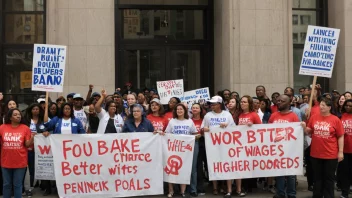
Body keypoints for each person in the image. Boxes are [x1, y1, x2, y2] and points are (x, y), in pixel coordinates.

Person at [302, 98, 344, 198]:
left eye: (324, 105)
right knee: (317, 178)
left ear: (329, 107)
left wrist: (341, 152)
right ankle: (317, 195)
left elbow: (340, 136)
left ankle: (328, 196)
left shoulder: (335, 119)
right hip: (316, 153)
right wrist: (304, 126)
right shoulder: (314, 117)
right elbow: (308, 131)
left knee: (329, 178)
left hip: (330, 154)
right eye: (321, 105)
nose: (321, 107)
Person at [201, 96, 235, 198]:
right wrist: (205, 130)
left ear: (220, 104)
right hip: (212, 145)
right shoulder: (208, 115)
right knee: (214, 165)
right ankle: (215, 187)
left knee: (227, 166)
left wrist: (227, 126)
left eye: (214, 104)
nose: (212, 105)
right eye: (211, 104)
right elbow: (202, 129)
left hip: (226, 146)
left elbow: (234, 130)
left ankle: (228, 189)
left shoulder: (227, 115)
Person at [164, 103, 199, 198]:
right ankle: (171, 191)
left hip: (186, 150)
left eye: (181, 109)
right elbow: (167, 134)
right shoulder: (172, 121)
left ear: (185, 111)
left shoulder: (189, 121)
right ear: (175, 111)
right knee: (172, 168)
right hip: (174, 148)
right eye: (177, 109)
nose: (179, 111)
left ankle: (185, 191)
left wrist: (196, 136)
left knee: (186, 168)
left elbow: (195, 133)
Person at [268, 95, 299, 198]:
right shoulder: (273, 116)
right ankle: (280, 193)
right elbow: (267, 131)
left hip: (290, 150)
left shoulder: (294, 116)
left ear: (289, 103)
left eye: (282, 101)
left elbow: (297, 134)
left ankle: (291, 194)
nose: (279, 102)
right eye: (278, 100)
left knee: (291, 175)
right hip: (277, 150)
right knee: (279, 173)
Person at [0, 108, 34, 198]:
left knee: (17, 185)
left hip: (20, 162)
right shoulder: (2, 127)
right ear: (10, 117)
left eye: (19, 114)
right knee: (6, 185)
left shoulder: (25, 128)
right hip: (6, 161)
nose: (18, 116)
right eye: (15, 114)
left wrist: (32, 138)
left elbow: (27, 144)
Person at [238, 95, 262, 196]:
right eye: (241, 102)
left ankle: (249, 186)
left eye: (244, 102)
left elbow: (260, 129)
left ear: (249, 103)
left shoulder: (254, 115)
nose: (242, 103)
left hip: (251, 144)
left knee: (249, 166)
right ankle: (245, 186)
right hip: (241, 144)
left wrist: (252, 126)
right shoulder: (240, 115)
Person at [190, 103, 206, 196]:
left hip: (203, 143)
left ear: (200, 110)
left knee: (200, 167)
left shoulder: (204, 120)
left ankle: (200, 187)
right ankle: (193, 187)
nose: (195, 109)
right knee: (194, 167)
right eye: (193, 108)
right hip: (193, 144)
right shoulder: (189, 120)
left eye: (197, 108)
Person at [339, 99, 352, 198]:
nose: (348, 107)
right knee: (344, 172)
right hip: (343, 150)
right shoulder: (341, 116)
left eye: (350, 106)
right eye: (346, 105)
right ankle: (344, 192)